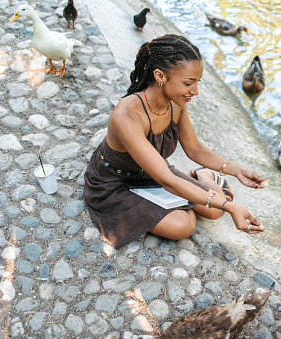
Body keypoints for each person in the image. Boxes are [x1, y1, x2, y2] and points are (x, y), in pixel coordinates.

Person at [83, 34, 265, 249]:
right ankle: (189, 193)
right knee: (183, 226)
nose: (195, 91)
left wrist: (236, 170)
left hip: (153, 173)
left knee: (215, 211)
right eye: (188, 83)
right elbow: (167, 179)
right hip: (115, 183)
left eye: (197, 82)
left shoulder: (176, 103)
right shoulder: (127, 115)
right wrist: (230, 206)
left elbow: (194, 148)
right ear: (160, 76)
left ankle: (201, 175)